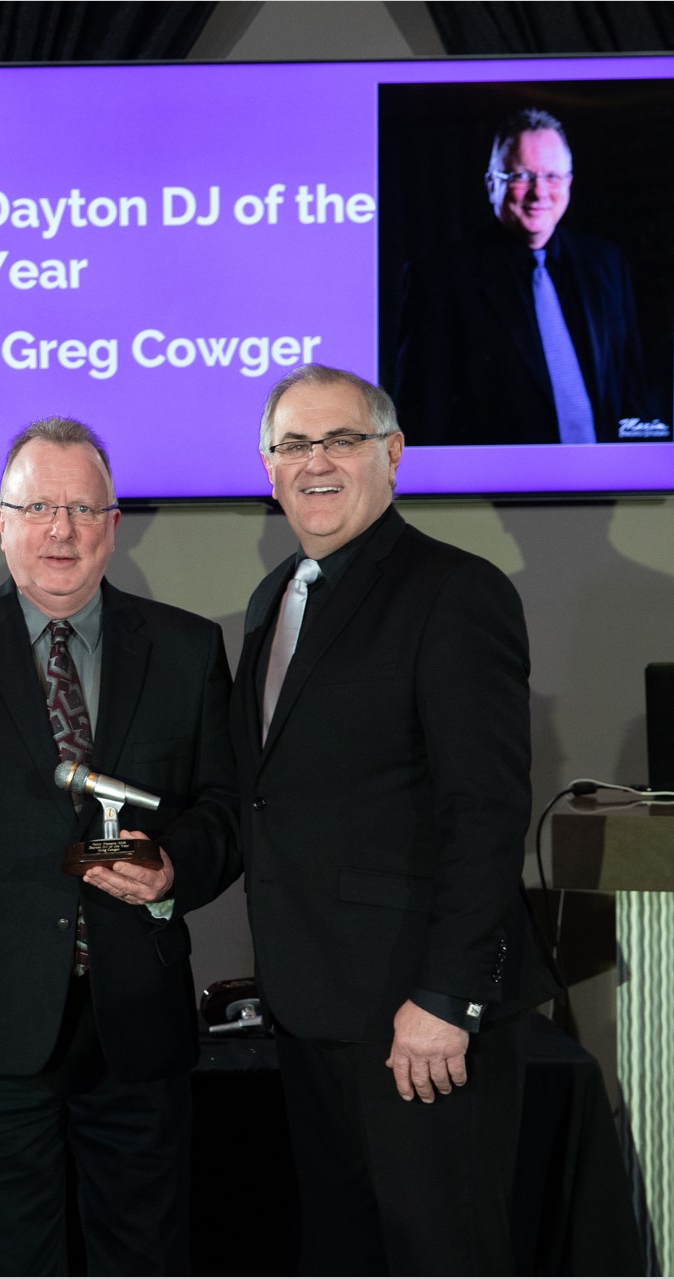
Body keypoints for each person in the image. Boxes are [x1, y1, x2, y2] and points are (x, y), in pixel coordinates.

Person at [0, 417, 237, 1276]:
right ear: (0, 521)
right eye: (38, 507)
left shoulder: (188, 648)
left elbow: (228, 811)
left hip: (138, 1025)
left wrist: (172, 865)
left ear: (113, 524)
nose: (61, 530)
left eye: (82, 508)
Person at [231, 364, 559, 1275]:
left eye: (341, 440)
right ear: (268, 467)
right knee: (344, 1252)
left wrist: (447, 996)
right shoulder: (274, 599)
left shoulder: (456, 592)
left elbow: (484, 811)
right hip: (314, 1008)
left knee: (441, 1256)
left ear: (393, 453)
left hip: (420, 1018)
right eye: (295, 444)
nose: (316, 462)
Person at [393, 107, 659, 445]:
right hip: (496, 477)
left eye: (552, 176)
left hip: (603, 473)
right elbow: (422, 417)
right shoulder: (438, 280)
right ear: (492, 184)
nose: (540, 192)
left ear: (569, 182)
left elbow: (630, 391)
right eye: (521, 176)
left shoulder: (605, 263)